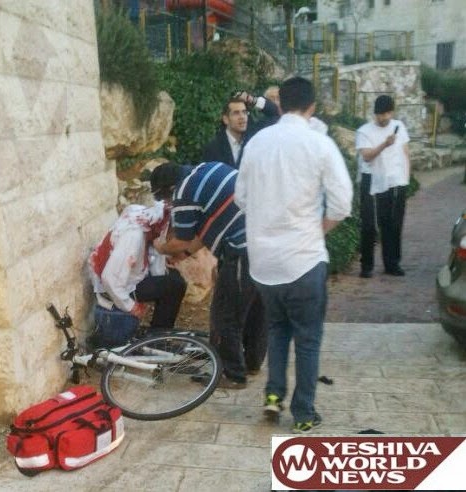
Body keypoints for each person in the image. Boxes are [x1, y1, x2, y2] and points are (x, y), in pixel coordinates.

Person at [235, 76, 353, 433]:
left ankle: (273, 396)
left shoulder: (256, 142)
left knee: (277, 329)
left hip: (264, 263)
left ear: (281, 104)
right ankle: (303, 413)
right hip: (304, 260)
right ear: (312, 106)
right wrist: (318, 229)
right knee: (308, 339)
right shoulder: (320, 144)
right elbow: (342, 204)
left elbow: (241, 198)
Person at [149, 161, 267, 389]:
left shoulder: (184, 191)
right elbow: (206, 232)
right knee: (255, 308)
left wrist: (160, 247)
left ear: (170, 188)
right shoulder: (206, 170)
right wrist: (184, 255)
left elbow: (182, 240)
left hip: (242, 251)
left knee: (225, 315)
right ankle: (251, 362)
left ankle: (232, 375)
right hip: (265, 243)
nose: (167, 203)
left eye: (163, 197)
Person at [89, 201, 187, 339]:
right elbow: (109, 279)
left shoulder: (146, 218)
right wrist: (130, 306)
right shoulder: (133, 237)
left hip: (128, 276)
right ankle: (159, 339)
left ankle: (158, 333)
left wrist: (163, 265)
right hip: (116, 287)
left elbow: (154, 254)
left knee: (174, 278)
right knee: (175, 286)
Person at [356, 95, 411, 278]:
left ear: (392, 112)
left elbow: (405, 153)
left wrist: (406, 177)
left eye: (387, 113)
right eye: (380, 114)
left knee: (393, 224)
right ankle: (366, 265)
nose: (384, 117)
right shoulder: (364, 131)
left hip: (395, 180)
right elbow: (366, 156)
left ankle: (392, 263)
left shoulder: (399, 127)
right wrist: (385, 144)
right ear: (375, 114)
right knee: (369, 224)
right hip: (371, 179)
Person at [202, 92, 279, 169]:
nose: (242, 117)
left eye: (244, 112)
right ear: (226, 119)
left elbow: (276, 113)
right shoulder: (214, 148)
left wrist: (252, 100)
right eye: (236, 113)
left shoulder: (252, 139)